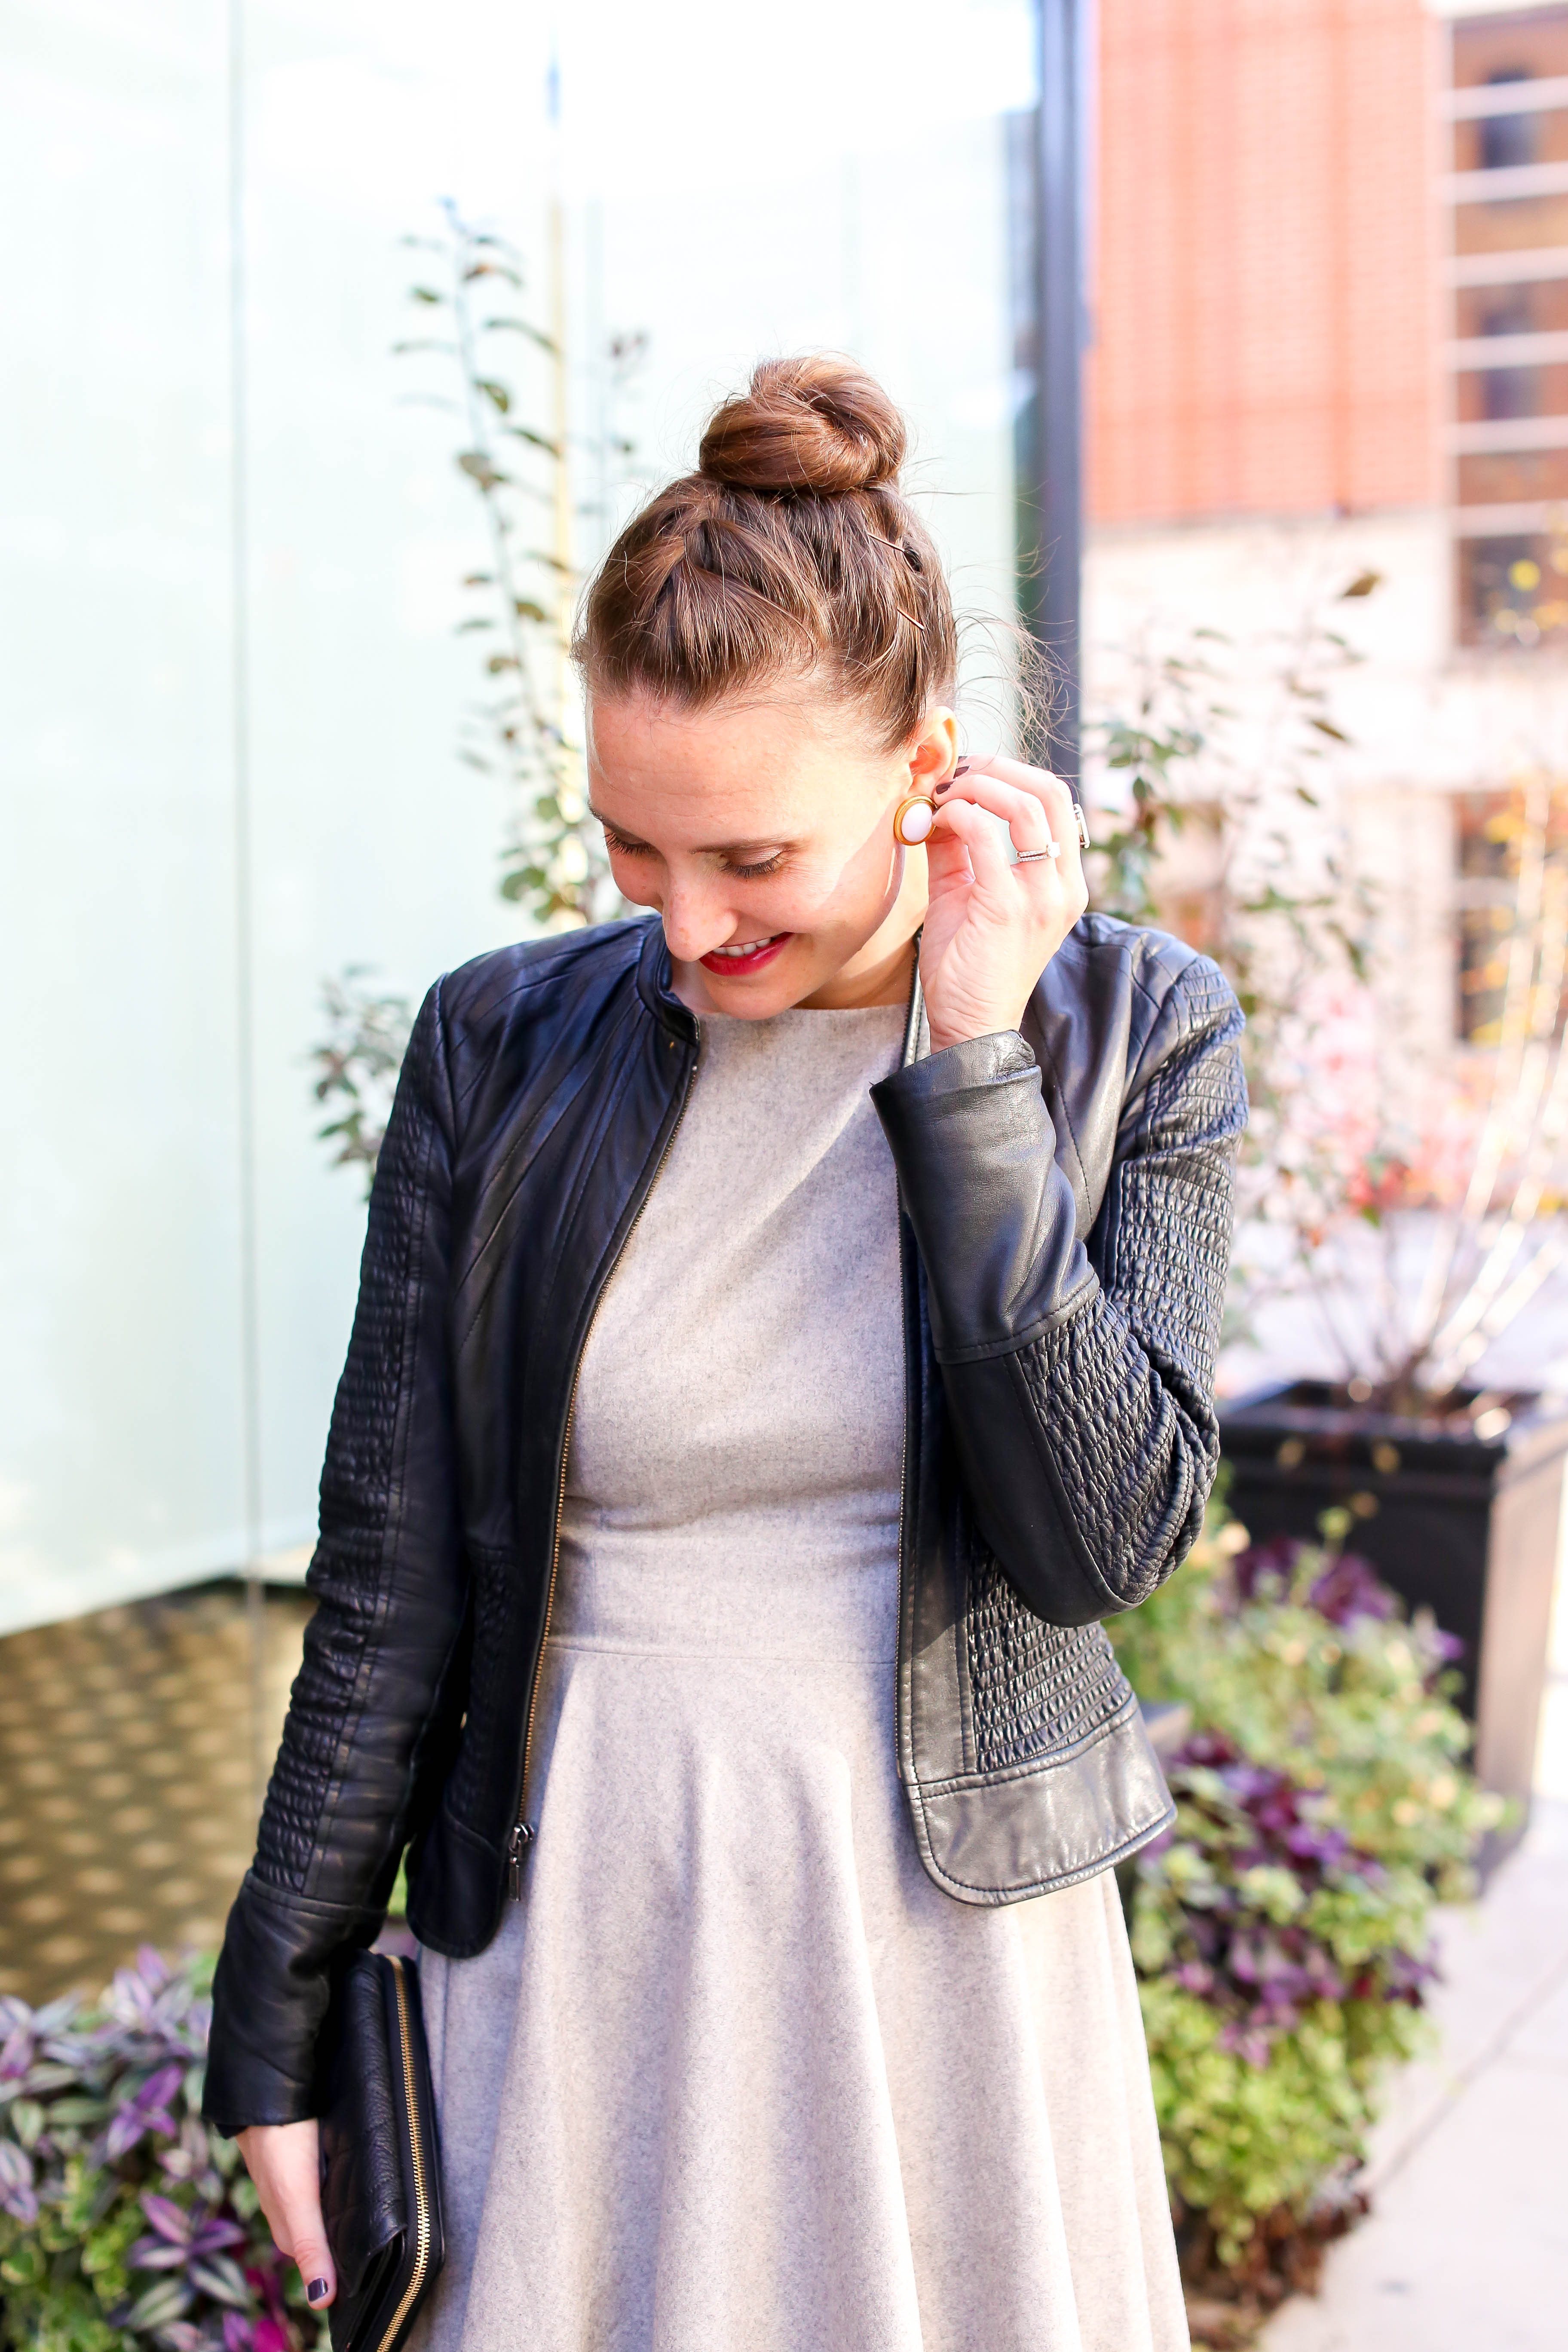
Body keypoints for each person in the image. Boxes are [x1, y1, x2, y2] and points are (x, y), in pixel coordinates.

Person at [206, 354, 1245, 2352]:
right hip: (583, 1920)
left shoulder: (1139, 1030)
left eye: (752, 859)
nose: (686, 926)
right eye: (630, 849)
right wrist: (275, 2024)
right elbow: (390, 1580)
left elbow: (1098, 1541)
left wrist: (970, 1076)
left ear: (930, 766)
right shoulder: (501, 1047)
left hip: (944, 1953)